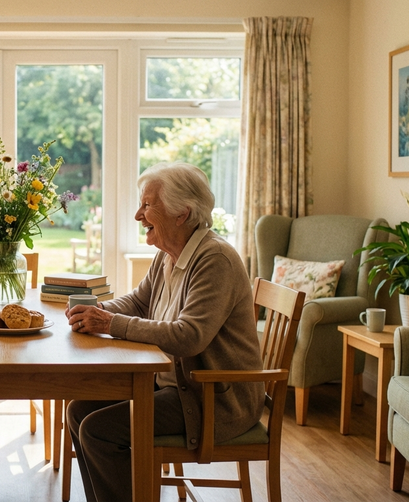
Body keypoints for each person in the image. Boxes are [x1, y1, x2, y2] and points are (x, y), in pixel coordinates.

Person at [65, 162, 263, 502]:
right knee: (79, 410)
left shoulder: (215, 259)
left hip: (213, 398)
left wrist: (109, 324)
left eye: (147, 205)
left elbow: (190, 336)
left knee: (98, 431)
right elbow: (140, 302)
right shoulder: (169, 254)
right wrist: (97, 313)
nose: (138, 216)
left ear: (181, 213)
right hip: (173, 386)